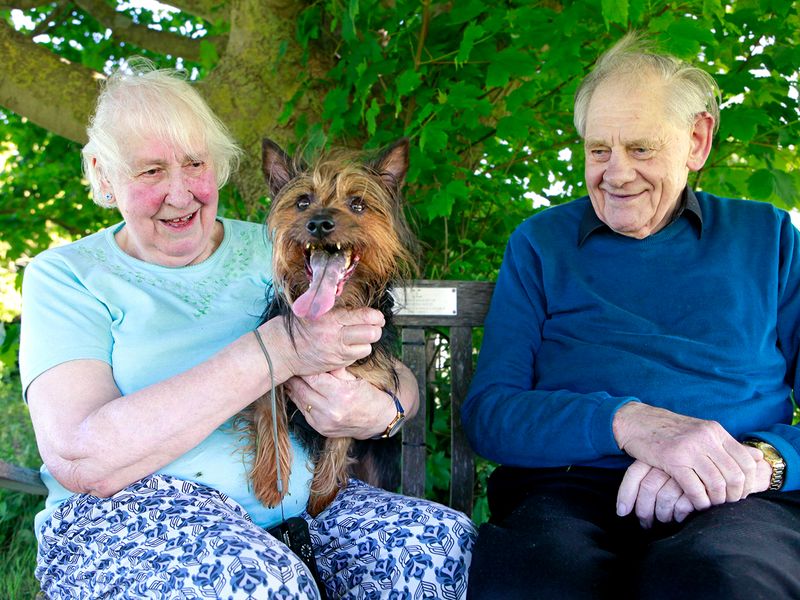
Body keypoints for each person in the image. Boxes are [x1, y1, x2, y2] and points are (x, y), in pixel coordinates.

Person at [19, 59, 475, 599]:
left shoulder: (283, 244)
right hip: (132, 515)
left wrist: (388, 407)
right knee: (251, 582)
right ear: (102, 174)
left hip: (308, 505)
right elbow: (78, 455)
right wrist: (278, 349)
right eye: (149, 171)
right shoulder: (69, 275)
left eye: (195, 164)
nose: (180, 193)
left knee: (437, 545)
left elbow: (380, 363)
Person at [462, 32, 800, 599]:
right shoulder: (541, 244)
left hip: (736, 498)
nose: (615, 174)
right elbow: (491, 414)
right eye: (599, 150)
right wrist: (627, 423)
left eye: (640, 149)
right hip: (571, 491)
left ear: (697, 140)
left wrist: (762, 461)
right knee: (535, 580)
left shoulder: (767, 239)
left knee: (718, 580)